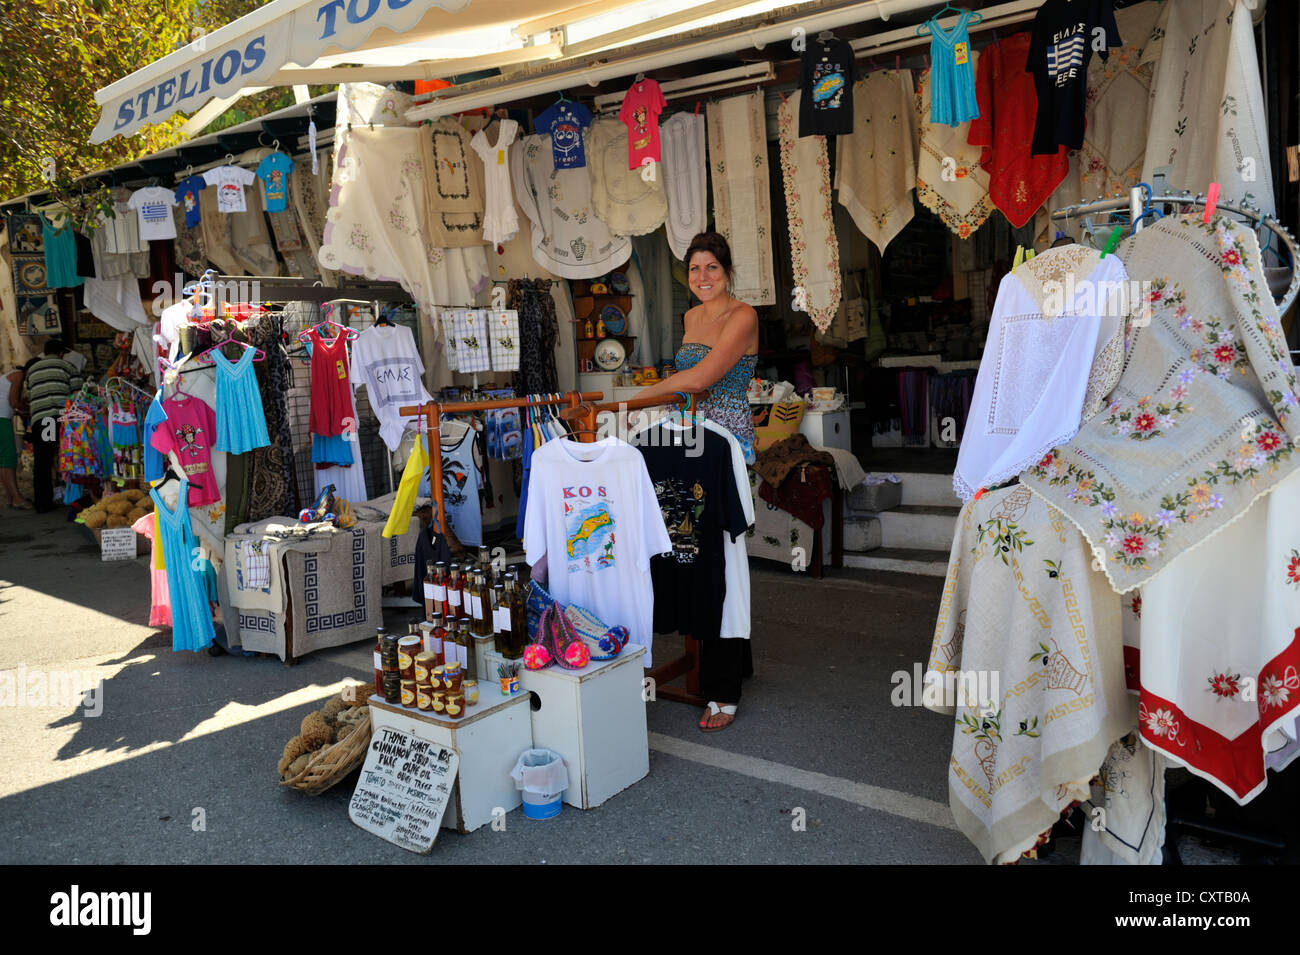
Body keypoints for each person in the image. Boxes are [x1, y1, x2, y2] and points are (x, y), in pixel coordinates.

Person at [632, 231, 758, 732]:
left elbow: (702, 379)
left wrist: (628, 402)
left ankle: (724, 684)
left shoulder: (743, 316)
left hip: (723, 448)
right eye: (694, 269)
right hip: (683, 444)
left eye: (712, 267)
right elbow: (682, 386)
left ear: (727, 270)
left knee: (723, 559)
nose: (702, 277)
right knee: (691, 550)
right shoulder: (689, 317)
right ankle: (734, 662)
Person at [25, 341, 82, 513]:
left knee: (43, 460)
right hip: (59, 418)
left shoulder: (32, 370)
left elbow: (30, 394)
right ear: (60, 353)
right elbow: (78, 394)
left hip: (40, 419)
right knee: (71, 457)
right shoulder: (67, 366)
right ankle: (76, 499)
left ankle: (42, 503)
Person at [0, 365, 29, 508]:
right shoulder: (18, 375)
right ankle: (17, 498)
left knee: (3, 460)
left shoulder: (10, 375)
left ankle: (10, 497)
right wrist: (26, 409)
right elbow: (13, 402)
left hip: (3, 417)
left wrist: (18, 412)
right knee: (10, 457)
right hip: (1, 419)